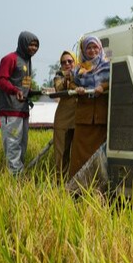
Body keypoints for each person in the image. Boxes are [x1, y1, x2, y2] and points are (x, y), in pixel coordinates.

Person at [0, 31, 40, 175]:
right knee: (13, 144)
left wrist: (33, 92)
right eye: (31, 45)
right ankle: (15, 178)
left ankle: (18, 174)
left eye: (36, 45)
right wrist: (15, 91)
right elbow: (1, 80)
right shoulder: (10, 58)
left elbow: (22, 84)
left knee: (22, 144)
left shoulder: (27, 60)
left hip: (23, 110)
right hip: (10, 110)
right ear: (23, 43)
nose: (33, 48)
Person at [68, 36, 110, 178]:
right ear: (84, 51)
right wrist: (78, 88)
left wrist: (102, 86)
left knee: (99, 155)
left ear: (100, 48)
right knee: (79, 154)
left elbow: (113, 82)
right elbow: (71, 84)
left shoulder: (108, 66)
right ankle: (75, 188)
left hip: (100, 117)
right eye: (89, 48)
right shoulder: (78, 69)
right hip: (83, 117)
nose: (92, 50)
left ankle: (97, 189)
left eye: (95, 47)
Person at [52, 50, 77, 179]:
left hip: (79, 118)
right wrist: (67, 78)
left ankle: (74, 183)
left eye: (70, 61)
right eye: (63, 62)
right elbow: (59, 88)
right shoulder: (58, 76)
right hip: (63, 119)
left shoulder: (82, 73)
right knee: (61, 154)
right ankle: (59, 183)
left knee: (77, 153)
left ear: (75, 61)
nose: (67, 64)